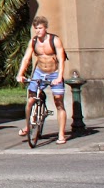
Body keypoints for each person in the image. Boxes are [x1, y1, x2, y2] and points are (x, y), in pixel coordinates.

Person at [16, 14, 70, 144]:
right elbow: (26, 58)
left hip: (54, 73)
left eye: (40, 28)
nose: (38, 31)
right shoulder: (33, 41)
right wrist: (20, 74)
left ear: (45, 28)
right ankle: (29, 125)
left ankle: (61, 134)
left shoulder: (55, 40)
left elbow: (61, 59)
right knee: (30, 99)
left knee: (59, 103)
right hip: (39, 72)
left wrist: (59, 77)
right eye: (36, 28)